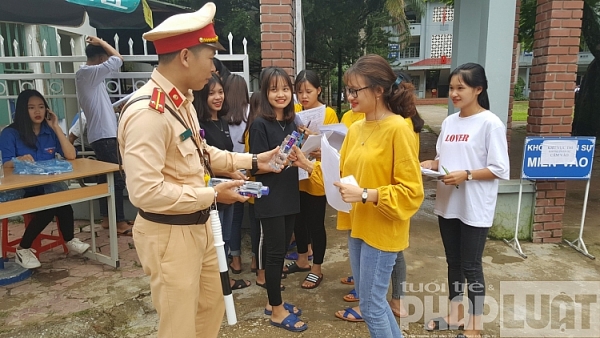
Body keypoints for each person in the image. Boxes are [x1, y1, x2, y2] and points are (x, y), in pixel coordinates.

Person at [117, 4, 281, 337]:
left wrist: (253, 161)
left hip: (200, 224)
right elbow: (144, 192)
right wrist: (212, 193)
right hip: (170, 234)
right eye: (210, 56)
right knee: (179, 325)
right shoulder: (148, 113)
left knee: (211, 307)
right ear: (185, 57)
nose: (214, 67)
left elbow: (202, 154)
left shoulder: (183, 102)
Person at [331, 54, 424, 337]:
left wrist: (366, 195)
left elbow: (412, 192)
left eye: (354, 90)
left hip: (383, 230)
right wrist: (308, 164)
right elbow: (343, 171)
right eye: (348, 90)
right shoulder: (356, 127)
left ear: (378, 90)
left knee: (370, 306)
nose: (349, 97)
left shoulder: (398, 128)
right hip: (358, 226)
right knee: (373, 303)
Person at [421, 63, 509, 338]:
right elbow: (444, 158)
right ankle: (454, 315)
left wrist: (467, 175)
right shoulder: (449, 122)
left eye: (461, 88)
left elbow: (500, 169)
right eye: (452, 88)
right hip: (449, 204)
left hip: (475, 206)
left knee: (471, 266)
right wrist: (432, 164)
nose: (454, 93)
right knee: (453, 262)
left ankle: (475, 325)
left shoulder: (490, 123)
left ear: (478, 89)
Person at [0, 89, 90, 269]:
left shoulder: (49, 131)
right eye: (31, 108)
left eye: (41, 107)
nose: (37, 111)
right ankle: (23, 249)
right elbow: (6, 165)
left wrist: (56, 127)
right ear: (23, 111)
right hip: (21, 189)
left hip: (45, 185)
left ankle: (69, 239)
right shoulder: (10, 133)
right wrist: (19, 161)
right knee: (49, 206)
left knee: (63, 200)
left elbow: (71, 155)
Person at [249, 67, 307, 332]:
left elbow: (294, 156)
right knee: (274, 257)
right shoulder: (260, 124)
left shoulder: (293, 124)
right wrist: (276, 162)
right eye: (274, 89)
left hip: (289, 195)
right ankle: (277, 311)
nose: (281, 94)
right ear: (265, 93)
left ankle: (275, 304)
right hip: (270, 198)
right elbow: (254, 167)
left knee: (281, 252)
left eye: (285, 88)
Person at [194, 73, 250, 290]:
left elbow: (224, 156)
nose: (217, 97)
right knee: (215, 240)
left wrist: (235, 172)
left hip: (227, 191)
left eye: (220, 92)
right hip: (211, 193)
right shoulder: (201, 126)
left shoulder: (223, 121)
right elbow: (204, 161)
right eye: (211, 93)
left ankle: (224, 280)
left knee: (225, 237)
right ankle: (217, 283)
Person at [283, 70, 339, 290]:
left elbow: (335, 148)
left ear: (319, 90)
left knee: (316, 223)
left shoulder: (329, 114)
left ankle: (317, 268)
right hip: (297, 175)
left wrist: (317, 147)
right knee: (299, 221)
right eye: (299, 92)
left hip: (316, 174)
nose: (303, 96)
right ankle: (302, 259)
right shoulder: (295, 112)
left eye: (308, 91)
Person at [75, 35, 132, 236]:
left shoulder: (91, 78)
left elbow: (99, 107)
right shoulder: (87, 73)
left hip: (103, 134)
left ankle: (107, 219)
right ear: (100, 58)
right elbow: (118, 59)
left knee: (105, 179)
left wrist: (115, 110)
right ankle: (119, 222)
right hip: (103, 136)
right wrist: (102, 42)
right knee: (117, 178)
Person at [222, 74, 250, 273]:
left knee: (233, 219)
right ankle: (258, 262)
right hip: (250, 168)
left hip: (228, 171)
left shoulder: (222, 116)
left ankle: (236, 259)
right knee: (255, 216)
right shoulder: (251, 113)